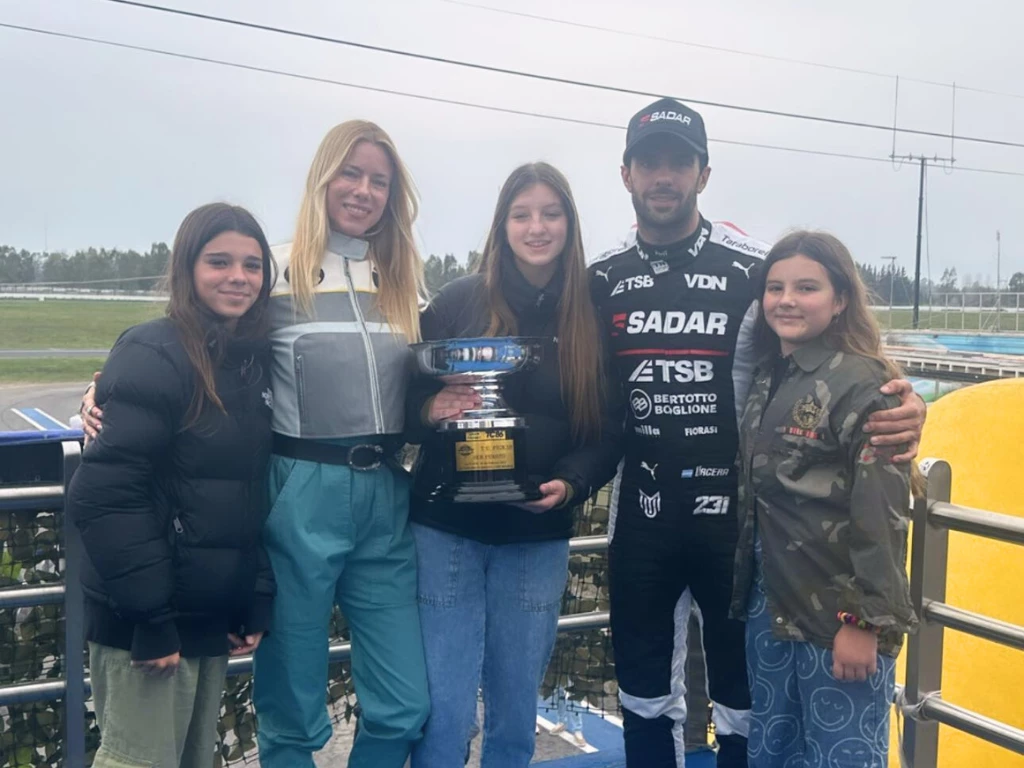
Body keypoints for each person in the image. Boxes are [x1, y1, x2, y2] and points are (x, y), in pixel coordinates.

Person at [588, 97, 927, 768]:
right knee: (644, 693)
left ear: (703, 175)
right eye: (649, 163)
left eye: (679, 164)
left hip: (737, 523)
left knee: (746, 704)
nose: (664, 177)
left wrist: (900, 399)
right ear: (626, 174)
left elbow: (821, 358)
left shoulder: (752, 269)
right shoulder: (599, 276)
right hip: (644, 513)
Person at [80, 120, 430, 767]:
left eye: (379, 180)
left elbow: (421, 387)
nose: (363, 190)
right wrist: (101, 384)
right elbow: (194, 341)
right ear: (323, 178)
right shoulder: (273, 268)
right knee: (291, 708)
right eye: (349, 173)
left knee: (404, 705)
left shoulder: (405, 280)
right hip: (298, 493)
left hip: (386, 494)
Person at [405, 162, 623, 767]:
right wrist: (431, 407)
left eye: (550, 213)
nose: (536, 227)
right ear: (501, 225)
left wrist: (572, 482)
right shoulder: (455, 303)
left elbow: (609, 428)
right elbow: (400, 405)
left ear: (570, 223)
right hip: (446, 531)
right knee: (445, 714)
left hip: (538, 537)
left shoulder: (593, 310)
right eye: (521, 214)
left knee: (514, 716)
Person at [67, 202, 276, 768]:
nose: (239, 277)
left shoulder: (249, 362)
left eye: (253, 265)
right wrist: (152, 621)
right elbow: (103, 496)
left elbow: (249, 494)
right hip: (148, 624)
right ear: (187, 268)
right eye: (220, 261)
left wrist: (250, 600)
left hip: (206, 617)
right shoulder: (153, 351)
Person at [730, 230, 919, 767]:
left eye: (806, 287)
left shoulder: (867, 386)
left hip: (840, 617)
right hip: (774, 608)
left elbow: (882, 513)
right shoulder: (771, 375)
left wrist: (863, 622)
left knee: (842, 758)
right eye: (775, 287)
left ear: (839, 301)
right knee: (773, 752)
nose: (787, 299)